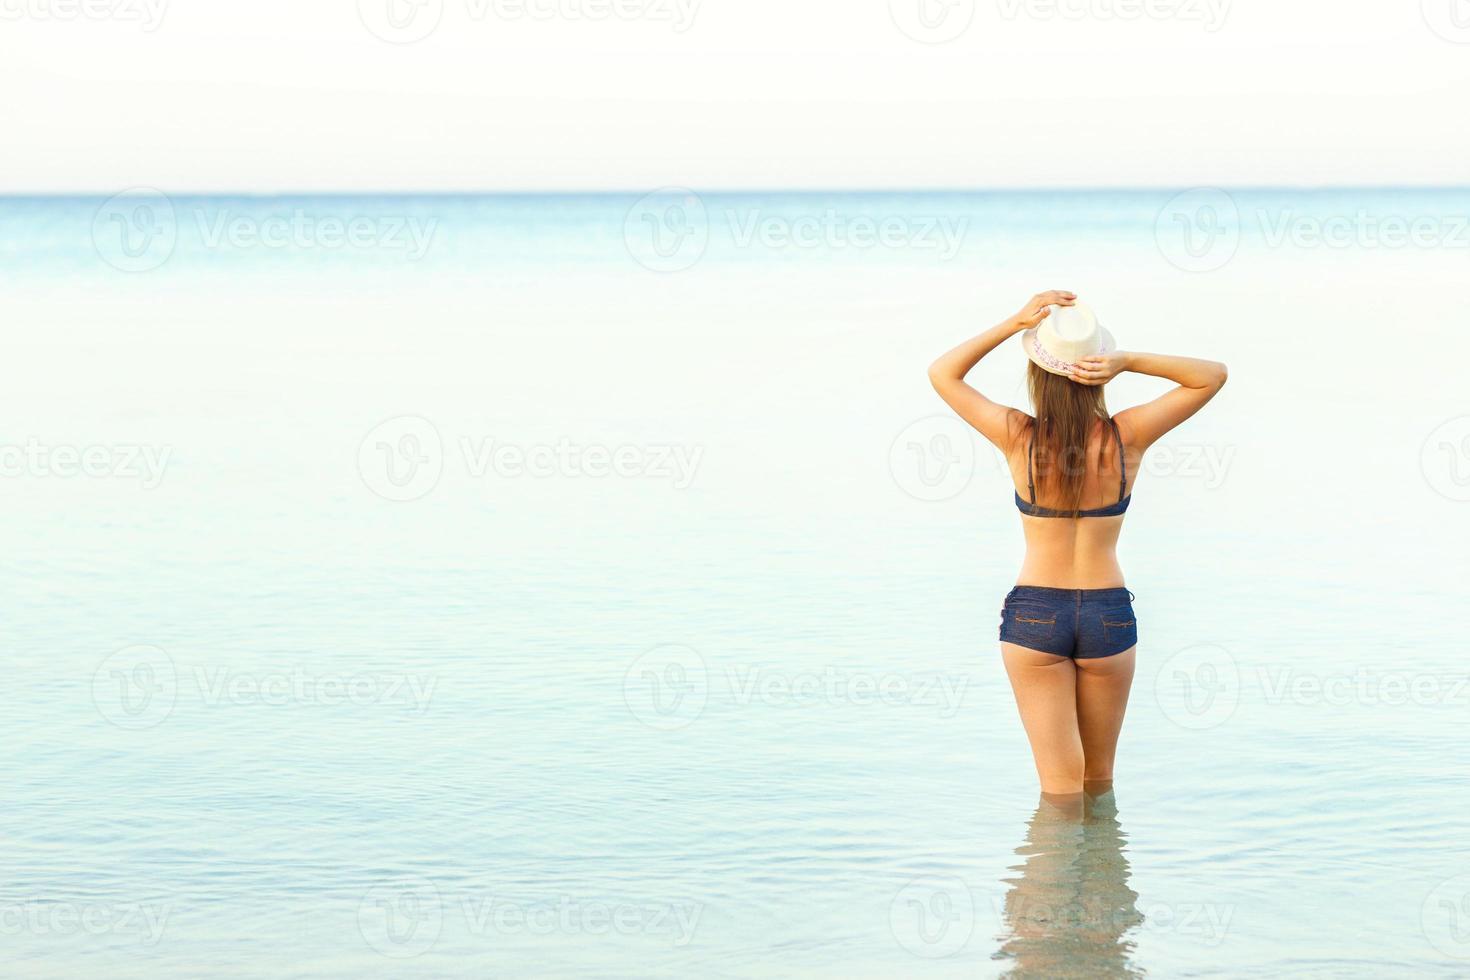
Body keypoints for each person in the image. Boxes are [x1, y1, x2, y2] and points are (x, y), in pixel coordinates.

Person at [928, 290, 1227, 798]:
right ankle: (1106, 876)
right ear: (1098, 372)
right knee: (1098, 783)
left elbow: (943, 373)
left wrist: (1013, 322)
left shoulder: (1017, 436)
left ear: (1037, 373)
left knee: (1059, 790)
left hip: (1036, 613)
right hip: (1107, 614)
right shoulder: (1126, 436)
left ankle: (1051, 876)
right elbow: (1211, 374)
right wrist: (1127, 362)